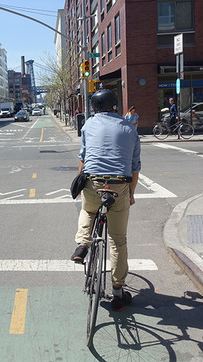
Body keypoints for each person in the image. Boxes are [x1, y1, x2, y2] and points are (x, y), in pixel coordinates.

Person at [70, 89, 141, 311]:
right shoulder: (130, 128)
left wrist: (82, 185)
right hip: (120, 186)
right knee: (118, 241)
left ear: (94, 107)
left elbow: (83, 159)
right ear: (115, 105)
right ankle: (118, 292)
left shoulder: (88, 125)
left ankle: (83, 244)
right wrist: (131, 193)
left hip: (93, 182)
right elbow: (135, 168)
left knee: (88, 211)